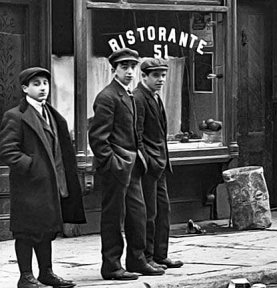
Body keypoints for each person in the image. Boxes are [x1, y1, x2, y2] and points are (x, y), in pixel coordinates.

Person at [0, 67, 86, 288]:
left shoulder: (52, 114)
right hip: (29, 186)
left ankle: (46, 273)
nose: (42, 88)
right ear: (25, 88)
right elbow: (7, 150)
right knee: (26, 232)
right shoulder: (15, 116)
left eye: (45, 83)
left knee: (47, 229)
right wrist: (32, 166)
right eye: (36, 84)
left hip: (51, 185)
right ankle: (25, 276)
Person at [88, 48, 165, 280]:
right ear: (114, 70)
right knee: (113, 217)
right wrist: (113, 163)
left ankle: (137, 260)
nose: (130, 72)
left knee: (138, 214)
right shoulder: (107, 96)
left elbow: (134, 132)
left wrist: (137, 159)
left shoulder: (128, 95)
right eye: (124, 67)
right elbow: (98, 138)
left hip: (132, 167)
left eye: (132, 67)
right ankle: (111, 265)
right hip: (116, 168)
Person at [134, 58, 183, 270]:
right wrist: (148, 161)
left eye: (163, 75)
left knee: (163, 211)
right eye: (156, 75)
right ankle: (147, 257)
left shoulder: (154, 97)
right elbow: (137, 136)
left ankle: (160, 255)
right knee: (149, 213)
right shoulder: (139, 98)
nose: (161, 79)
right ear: (143, 76)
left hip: (160, 164)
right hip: (149, 167)